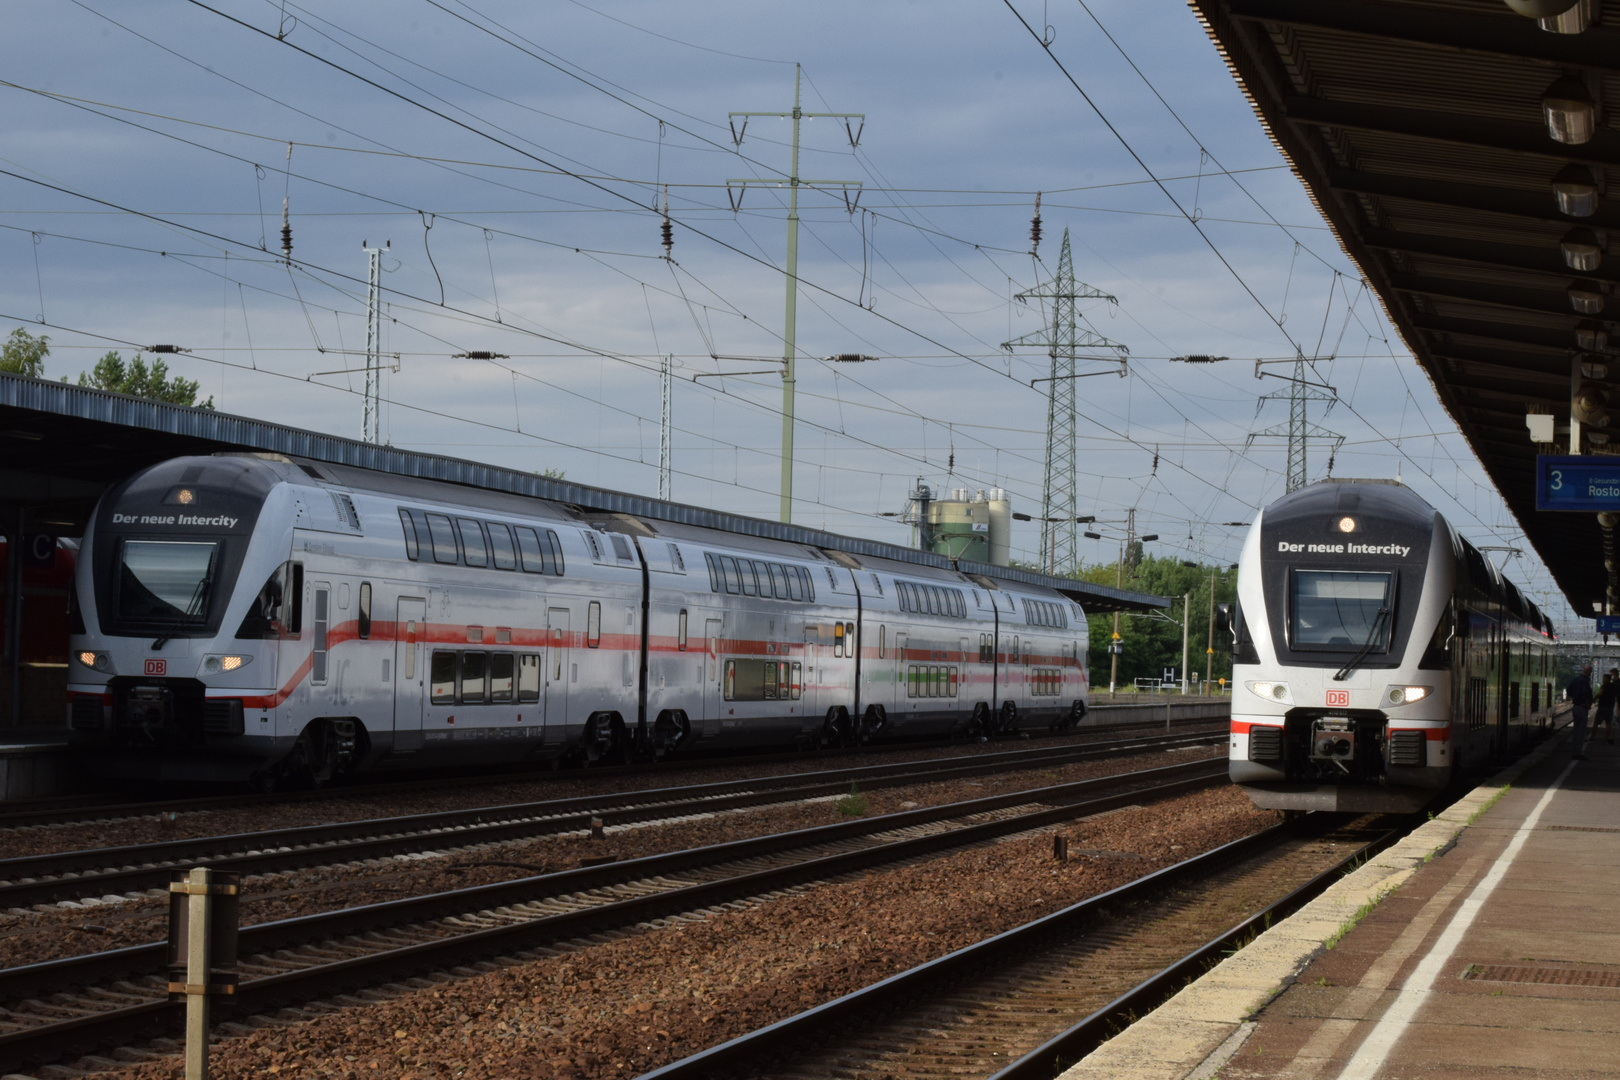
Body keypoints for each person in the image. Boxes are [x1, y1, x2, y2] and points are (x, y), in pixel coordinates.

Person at [1568, 663, 1594, 760]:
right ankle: (1577, 753)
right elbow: (1585, 692)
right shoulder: (1585, 681)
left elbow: (1569, 690)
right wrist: (1586, 702)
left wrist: (1574, 698)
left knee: (1576, 730)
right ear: (1589, 672)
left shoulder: (1575, 679)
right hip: (1582, 707)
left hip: (1576, 707)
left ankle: (1575, 751)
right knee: (1580, 731)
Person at [1597, 670, 1617, 749]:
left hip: (1606, 706)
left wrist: (1594, 700)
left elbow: (1600, 694)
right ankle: (1609, 738)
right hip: (1611, 706)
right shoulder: (1614, 685)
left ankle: (1592, 738)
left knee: (1597, 722)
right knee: (1610, 723)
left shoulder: (1605, 686)